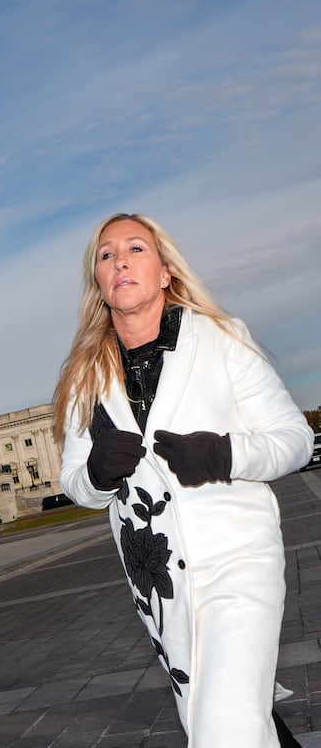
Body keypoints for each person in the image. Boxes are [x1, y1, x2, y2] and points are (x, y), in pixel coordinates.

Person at [55, 213, 311, 747]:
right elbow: (76, 482)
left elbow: (294, 438)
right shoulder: (86, 376)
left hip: (237, 559)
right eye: (106, 255)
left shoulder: (221, 337)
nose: (120, 259)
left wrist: (224, 454)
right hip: (158, 584)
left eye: (135, 249)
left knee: (224, 731)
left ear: (166, 271)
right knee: (216, 716)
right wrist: (99, 474)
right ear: (99, 284)